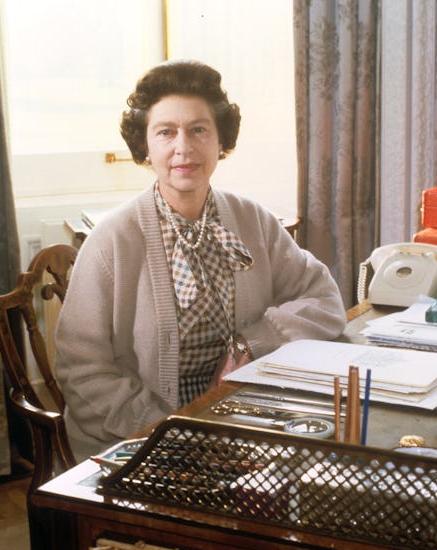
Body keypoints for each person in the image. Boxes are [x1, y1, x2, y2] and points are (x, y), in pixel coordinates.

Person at [55, 60, 347, 459]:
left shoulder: (252, 219)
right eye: (165, 133)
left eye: (198, 130)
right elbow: (83, 373)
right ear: (145, 146)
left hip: (241, 424)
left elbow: (325, 300)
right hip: (137, 438)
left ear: (220, 140)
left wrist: (252, 342)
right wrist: (175, 427)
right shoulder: (111, 242)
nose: (183, 148)